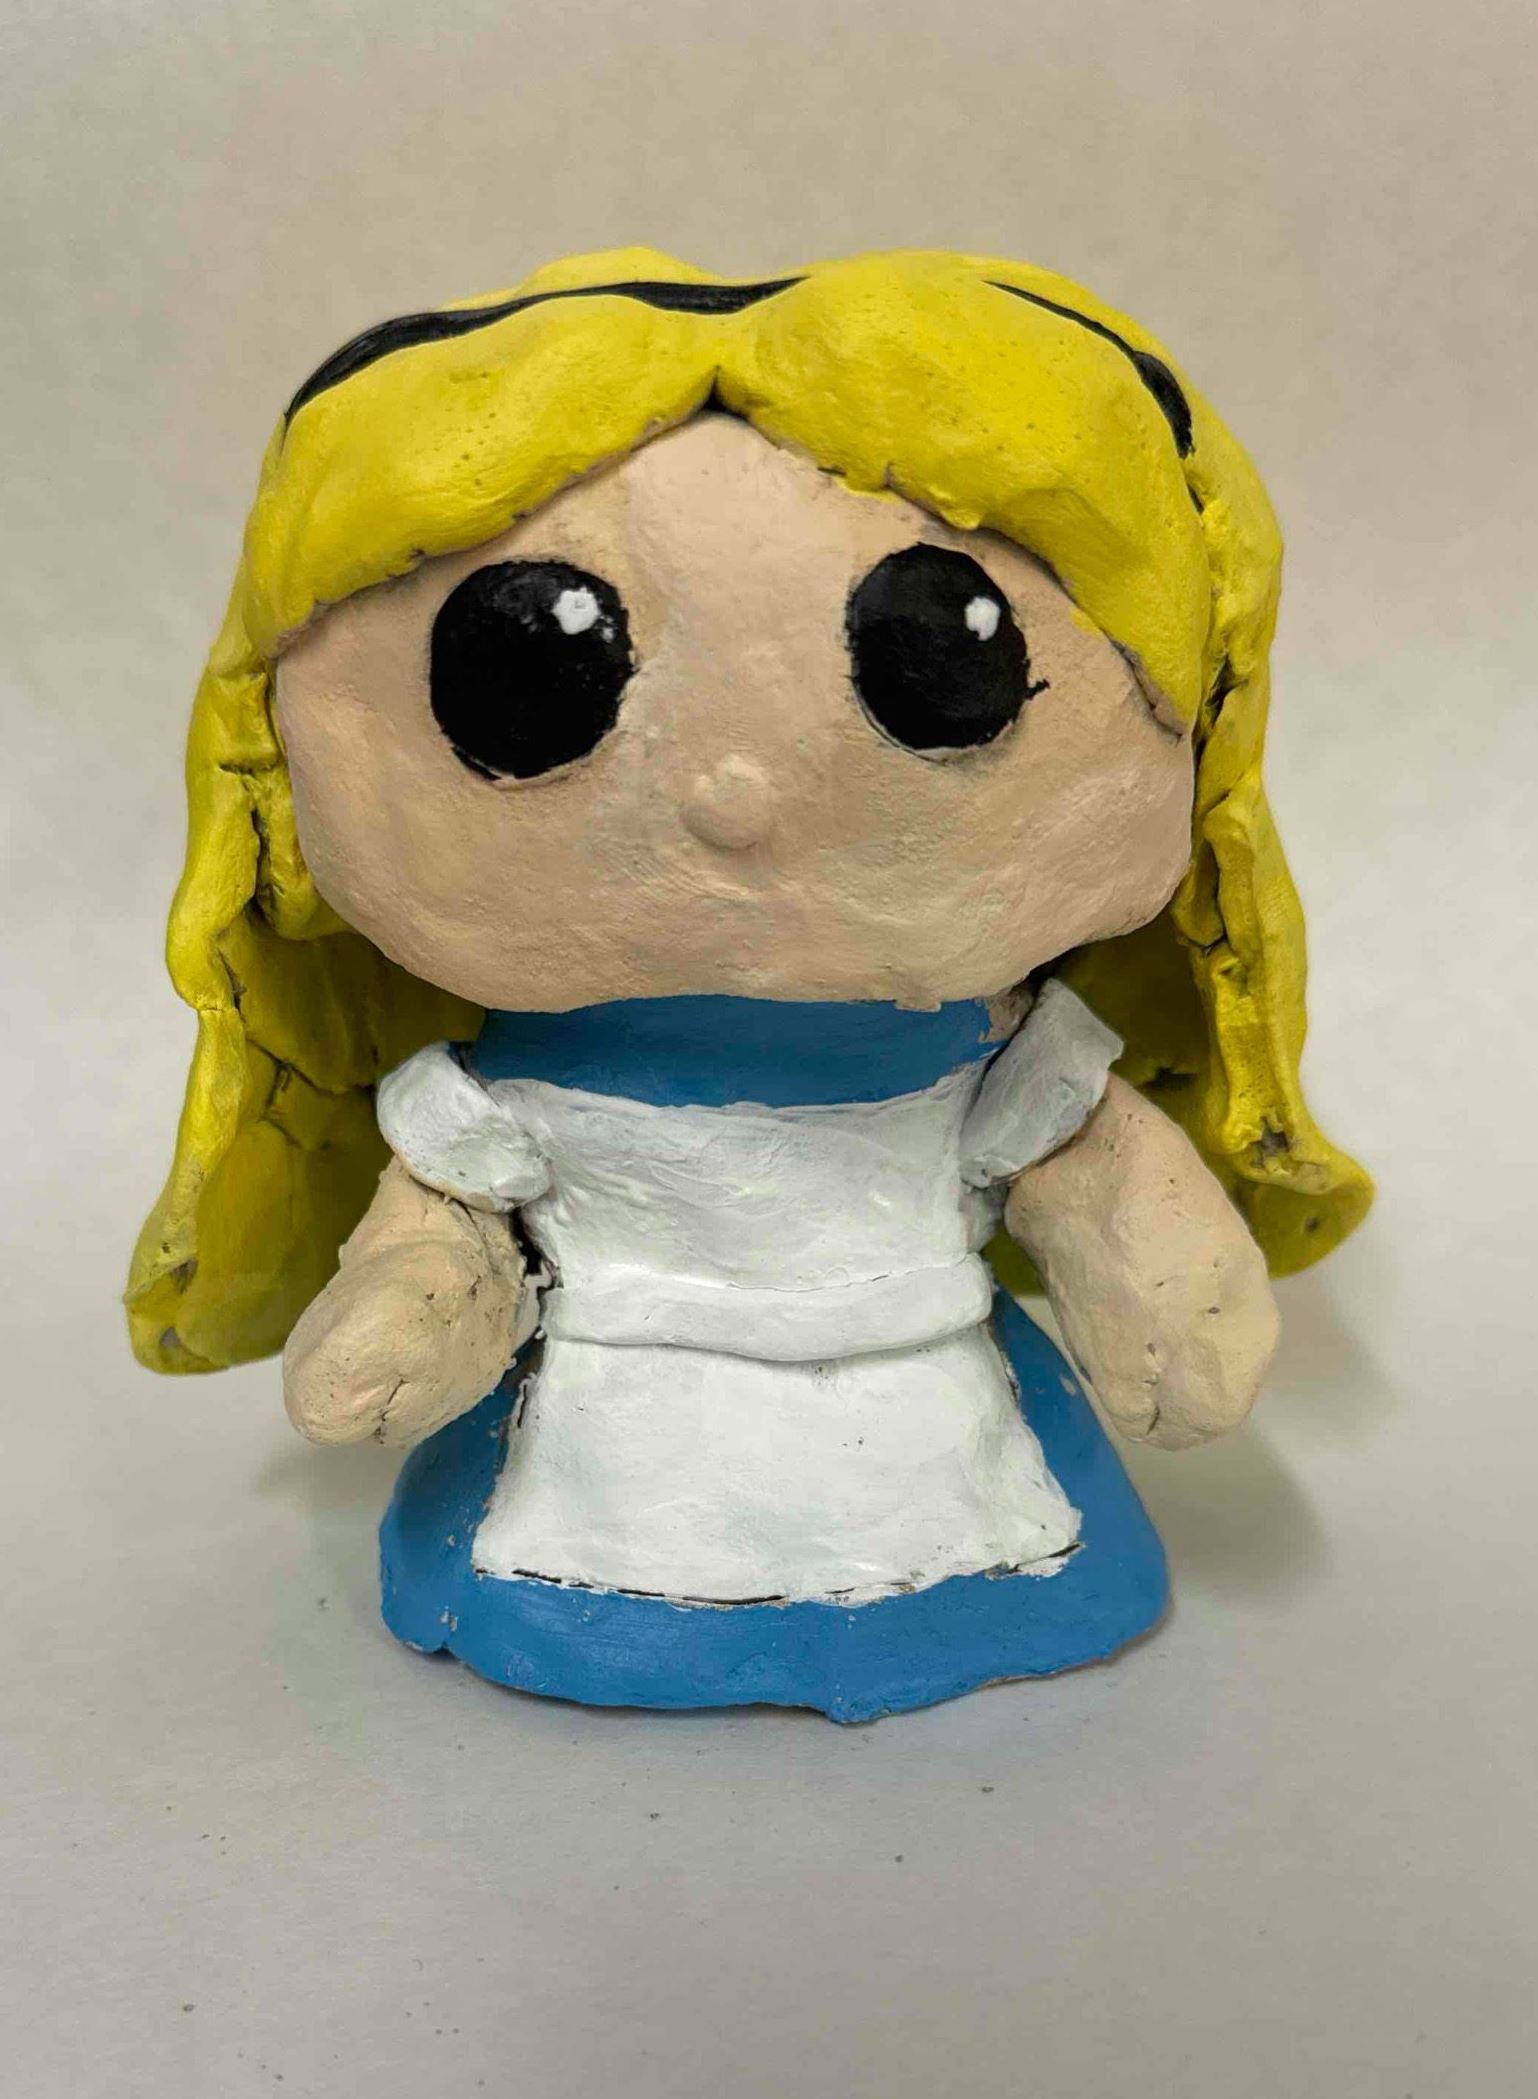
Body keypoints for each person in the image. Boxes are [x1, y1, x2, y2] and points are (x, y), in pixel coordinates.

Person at [128, 250, 1370, 1718]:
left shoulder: (986, 1053)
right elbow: (457, 1216)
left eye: (938, 658)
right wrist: (421, 1292)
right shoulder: (520, 1092)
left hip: (921, 1408)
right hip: (611, 1424)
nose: (729, 797)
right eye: (526, 670)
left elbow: (1082, 1162)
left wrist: (1153, 1269)